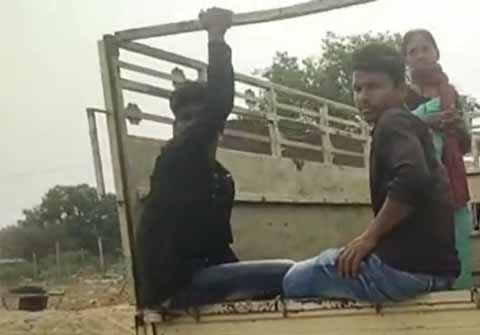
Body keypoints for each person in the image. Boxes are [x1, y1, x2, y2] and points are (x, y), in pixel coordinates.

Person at [135, 8, 294, 309]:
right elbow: (220, 101)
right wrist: (216, 36)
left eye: (199, 118)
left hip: (198, 277)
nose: (190, 126)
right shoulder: (175, 159)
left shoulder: (220, 177)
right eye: (184, 118)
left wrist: (243, 276)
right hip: (175, 286)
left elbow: (217, 247)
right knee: (288, 272)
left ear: (217, 129)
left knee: (280, 278)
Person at [282, 43, 458, 303]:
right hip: (437, 272)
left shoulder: (392, 121)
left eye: (374, 87)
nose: (363, 97)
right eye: (357, 89)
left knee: (295, 279)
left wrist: (368, 238)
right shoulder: (410, 124)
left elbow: (412, 177)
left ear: (401, 90)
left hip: (404, 272)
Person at [401, 29, 474, 290]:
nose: (421, 55)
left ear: (437, 53)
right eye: (413, 51)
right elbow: (392, 130)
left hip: (451, 184)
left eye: (426, 49)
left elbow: (465, 146)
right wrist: (424, 121)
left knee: (457, 247)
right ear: (406, 59)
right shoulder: (401, 96)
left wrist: (458, 127)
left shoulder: (450, 94)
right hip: (416, 184)